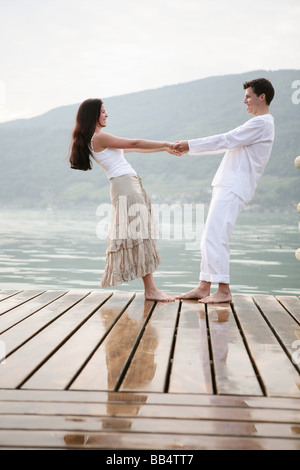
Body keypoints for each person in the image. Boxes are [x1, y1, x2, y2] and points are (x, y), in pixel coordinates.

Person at [174, 78, 275, 303]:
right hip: (228, 185)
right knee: (209, 235)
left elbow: (226, 139)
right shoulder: (259, 124)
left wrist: (189, 145)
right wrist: (191, 148)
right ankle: (204, 285)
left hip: (234, 186)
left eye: (248, 96)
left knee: (216, 235)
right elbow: (225, 144)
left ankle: (224, 291)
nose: (244, 100)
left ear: (262, 97)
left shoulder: (261, 123)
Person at [69, 98, 180, 302]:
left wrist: (165, 149)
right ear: (93, 115)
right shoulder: (99, 138)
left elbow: (136, 148)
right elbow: (134, 143)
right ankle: (151, 290)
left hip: (128, 184)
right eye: (103, 111)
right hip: (126, 186)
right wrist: (167, 143)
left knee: (141, 234)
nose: (107, 114)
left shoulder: (98, 140)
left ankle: (151, 289)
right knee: (140, 235)